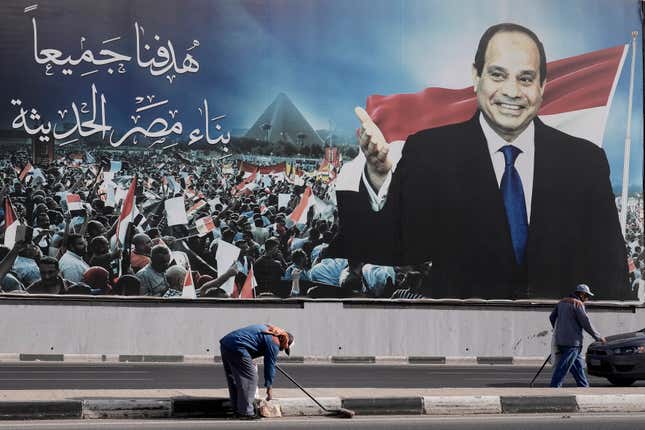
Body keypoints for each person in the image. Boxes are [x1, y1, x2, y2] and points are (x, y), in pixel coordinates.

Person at [331, 22, 628, 300]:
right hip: (460, 342)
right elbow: (391, 249)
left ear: (542, 85)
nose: (512, 92)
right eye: (498, 75)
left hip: (555, 343)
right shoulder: (430, 152)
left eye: (525, 78)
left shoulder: (585, 162)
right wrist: (378, 176)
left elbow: (612, 276)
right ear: (476, 76)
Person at [219, 324, 294, 419]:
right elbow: (269, 368)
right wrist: (269, 388)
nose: (282, 350)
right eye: (285, 348)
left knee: (234, 379)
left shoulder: (270, 331)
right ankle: (246, 412)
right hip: (238, 346)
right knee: (251, 378)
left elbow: (252, 342)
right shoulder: (275, 342)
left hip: (227, 343)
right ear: (285, 341)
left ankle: (237, 409)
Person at [549, 284, 606, 387]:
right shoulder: (578, 304)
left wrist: (559, 330)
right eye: (587, 296)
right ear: (582, 294)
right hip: (573, 342)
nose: (587, 298)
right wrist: (597, 336)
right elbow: (586, 323)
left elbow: (552, 317)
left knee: (578, 367)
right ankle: (554, 386)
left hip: (561, 340)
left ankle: (584, 386)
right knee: (563, 367)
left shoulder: (561, 302)